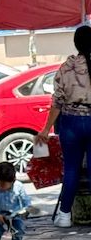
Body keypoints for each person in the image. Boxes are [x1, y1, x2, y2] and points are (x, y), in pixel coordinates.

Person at [36, 25, 91, 228]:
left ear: (76, 43)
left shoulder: (66, 68)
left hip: (70, 123)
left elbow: (57, 102)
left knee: (71, 169)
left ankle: (65, 215)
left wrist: (45, 129)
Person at [0, 161, 31, 240]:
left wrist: (26, 209)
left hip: (15, 215)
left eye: (3, 185)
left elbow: (26, 201)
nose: (0, 186)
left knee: (18, 231)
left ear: (13, 181)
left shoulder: (18, 186)